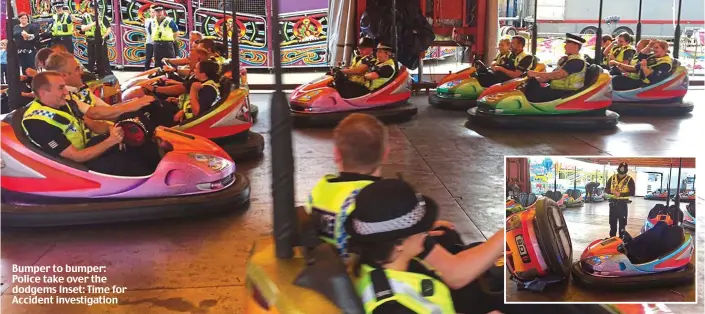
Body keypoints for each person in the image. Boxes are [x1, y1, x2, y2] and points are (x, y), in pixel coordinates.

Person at [304, 114, 505, 299]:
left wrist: (421, 228)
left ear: (337, 153)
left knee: (445, 234)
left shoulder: (321, 191)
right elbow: (456, 275)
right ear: (386, 153)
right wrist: (509, 232)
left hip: (349, 283)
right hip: (395, 291)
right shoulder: (381, 202)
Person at [345, 179, 506, 314]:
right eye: (420, 228)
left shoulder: (379, 267)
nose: (426, 233)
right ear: (399, 243)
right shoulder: (390, 305)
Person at [21, 71, 159, 176]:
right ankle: (149, 181)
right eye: (61, 88)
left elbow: (93, 125)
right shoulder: (37, 122)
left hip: (88, 149)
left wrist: (112, 128)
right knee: (126, 164)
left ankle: (158, 167)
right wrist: (111, 141)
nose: (66, 92)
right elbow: (76, 157)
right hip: (72, 167)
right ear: (43, 92)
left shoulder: (65, 103)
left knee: (134, 143)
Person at [44, 52, 155, 122]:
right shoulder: (64, 97)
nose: (82, 72)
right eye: (77, 69)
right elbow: (95, 113)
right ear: (64, 75)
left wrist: (136, 103)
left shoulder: (81, 88)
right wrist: (134, 105)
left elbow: (108, 109)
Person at [524, 33, 587, 103]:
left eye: (567, 44)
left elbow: (557, 75)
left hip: (566, 93)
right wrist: (535, 79)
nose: (565, 47)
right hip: (557, 89)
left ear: (575, 46)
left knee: (530, 95)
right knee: (531, 84)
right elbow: (551, 77)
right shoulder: (566, 60)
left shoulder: (577, 61)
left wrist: (535, 73)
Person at [166, 60, 221, 124]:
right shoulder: (203, 84)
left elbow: (197, 113)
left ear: (203, 74)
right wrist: (178, 101)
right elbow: (195, 102)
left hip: (193, 124)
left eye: (196, 68)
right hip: (187, 117)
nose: (193, 70)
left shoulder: (208, 89)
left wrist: (193, 90)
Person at [604, 162, 635, 238]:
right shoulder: (612, 178)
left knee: (622, 224)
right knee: (612, 223)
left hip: (622, 204)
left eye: (623, 171)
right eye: (620, 170)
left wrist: (620, 194)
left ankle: (621, 239)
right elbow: (606, 189)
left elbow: (632, 192)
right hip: (613, 204)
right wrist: (611, 191)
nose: (621, 174)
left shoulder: (629, 179)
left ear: (626, 171)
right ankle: (612, 238)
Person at [80, 2, 112, 73]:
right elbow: (83, 28)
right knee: (91, 58)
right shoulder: (86, 17)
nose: (94, 9)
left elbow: (109, 28)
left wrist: (104, 36)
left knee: (104, 57)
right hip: (91, 40)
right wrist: (94, 23)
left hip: (101, 40)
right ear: (90, 9)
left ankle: (107, 72)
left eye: (95, 8)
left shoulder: (102, 17)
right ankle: (91, 72)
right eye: (92, 8)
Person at [143, 7, 156, 71]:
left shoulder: (160, 20)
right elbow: (148, 30)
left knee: (157, 58)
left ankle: (157, 72)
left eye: (153, 12)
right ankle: (146, 71)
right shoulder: (147, 20)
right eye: (151, 12)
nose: (152, 13)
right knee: (148, 58)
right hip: (149, 41)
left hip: (157, 42)